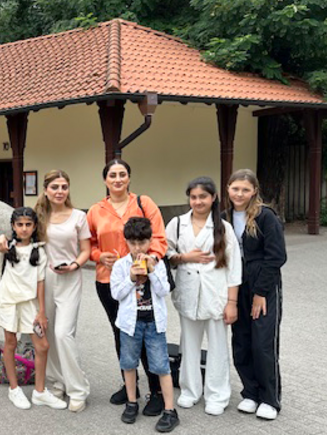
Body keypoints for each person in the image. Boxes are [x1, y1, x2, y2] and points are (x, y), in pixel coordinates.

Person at [0, 170, 92, 411]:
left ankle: (78, 389)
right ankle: (56, 381)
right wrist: (0, 241)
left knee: (63, 333)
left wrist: (75, 264)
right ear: (46, 190)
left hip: (70, 278)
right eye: (55, 187)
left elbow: (86, 250)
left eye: (64, 187)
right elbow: (17, 234)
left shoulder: (79, 217)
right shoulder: (40, 216)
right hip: (42, 279)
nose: (60, 191)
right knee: (46, 334)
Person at [87, 159, 168, 415]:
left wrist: (148, 265)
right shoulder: (95, 210)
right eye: (113, 175)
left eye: (123, 174)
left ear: (129, 178)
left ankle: (155, 391)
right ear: (105, 180)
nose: (118, 179)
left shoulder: (144, 203)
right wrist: (99, 256)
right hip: (109, 281)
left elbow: (159, 239)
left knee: (147, 334)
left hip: (145, 282)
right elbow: (88, 244)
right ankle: (129, 383)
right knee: (121, 332)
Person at [0, 207, 67, 411]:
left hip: (30, 304)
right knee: (10, 342)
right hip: (7, 302)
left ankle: (40, 392)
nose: (24, 229)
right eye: (20, 225)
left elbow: (41, 282)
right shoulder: (4, 247)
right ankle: (14, 389)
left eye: (28, 225)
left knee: (42, 346)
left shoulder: (40, 251)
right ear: (13, 227)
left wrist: (42, 311)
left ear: (34, 227)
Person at [165, 177, 242, 416]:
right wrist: (185, 257)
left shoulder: (224, 228)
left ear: (214, 198)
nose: (198, 201)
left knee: (218, 347)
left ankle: (217, 394)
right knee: (188, 344)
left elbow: (234, 268)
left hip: (216, 295)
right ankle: (190, 390)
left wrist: (232, 303)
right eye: (194, 197)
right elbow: (165, 252)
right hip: (188, 292)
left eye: (203, 197)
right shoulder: (177, 223)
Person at [223, 169, 287, 421]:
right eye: (235, 188)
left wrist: (261, 292)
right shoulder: (223, 217)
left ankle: (270, 398)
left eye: (245, 189)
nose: (239, 194)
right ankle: (250, 392)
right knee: (242, 341)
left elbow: (277, 257)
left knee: (263, 343)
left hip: (263, 287)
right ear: (228, 189)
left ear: (254, 192)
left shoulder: (266, 217)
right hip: (237, 286)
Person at [111, 217, 179, 432]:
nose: (138, 247)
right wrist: (131, 278)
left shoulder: (157, 264)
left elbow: (163, 291)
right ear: (126, 242)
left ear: (150, 241)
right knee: (129, 363)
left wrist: (151, 271)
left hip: (153, 324)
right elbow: (116, 294)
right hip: (130, 324)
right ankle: (132, 402)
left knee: (160, 365)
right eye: (133, 243)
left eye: (142, 242)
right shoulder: (121, 266)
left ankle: (170, 410)